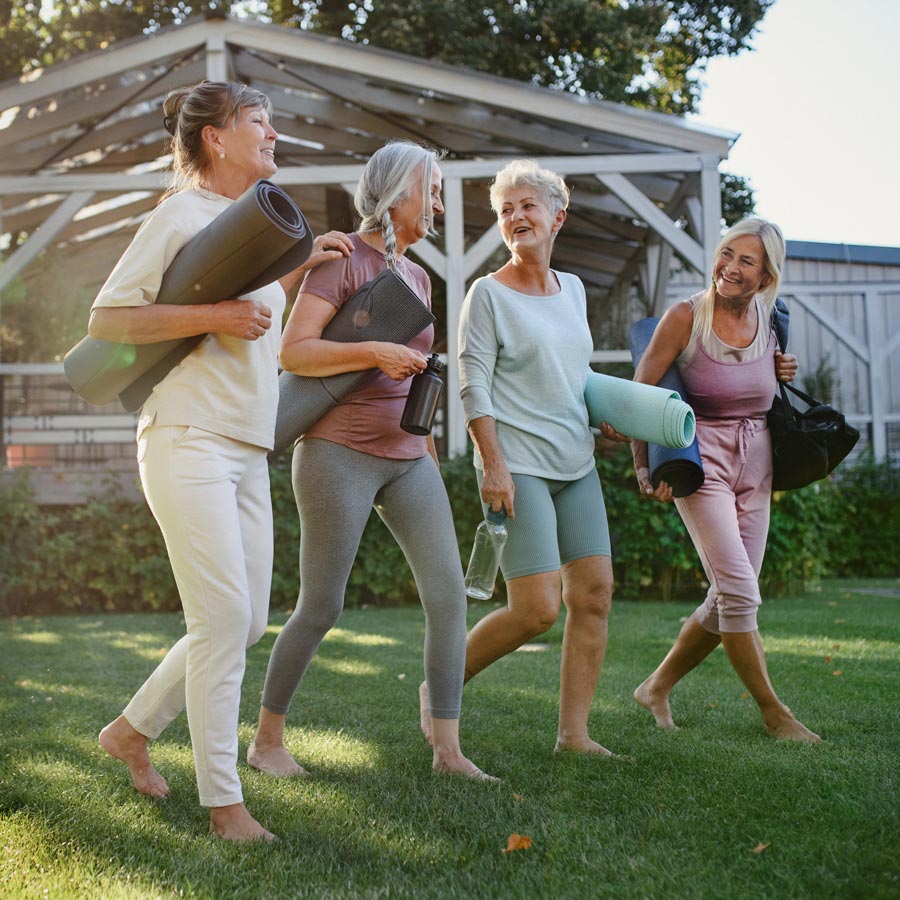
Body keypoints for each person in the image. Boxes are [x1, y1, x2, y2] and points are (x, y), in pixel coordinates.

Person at [94, 80, 353, 841]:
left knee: (241, 624)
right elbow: (108, 318)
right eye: (259, 123)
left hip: (244, 445)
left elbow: (254, 327)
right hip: (186, 439)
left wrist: (304, 269)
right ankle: (224, 803)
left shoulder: (249, 232)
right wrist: (217, 315)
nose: (273, 135)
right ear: (216, 138)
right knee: (221, 620)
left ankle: (130, 733)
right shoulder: (178, 213)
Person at [247, 140, 494, 782]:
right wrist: (374, 351)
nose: (438, 200)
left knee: (448, 597)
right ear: (396, 194)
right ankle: (266, 740)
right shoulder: (342, 261)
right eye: (431, 187)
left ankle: (447, 750)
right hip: (338, 452)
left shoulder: (418, 277)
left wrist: (430, 446)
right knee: (322, 605)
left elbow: (414, 374)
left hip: (409, 455)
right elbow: (295, 354)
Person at [454, 159, 622, 756]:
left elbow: (575, 372)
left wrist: (609, 411)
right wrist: (492, 464)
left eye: (527, 205)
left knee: (595, 592)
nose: (516, 217)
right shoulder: (487, 295)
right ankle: (440, 688)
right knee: (535, 610)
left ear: (557, 215)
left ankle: (573, 735)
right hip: (516, 462)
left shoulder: (572, 289)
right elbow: (472, 386)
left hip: (576, 461)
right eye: (506, 211)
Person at [631, 216, 821, 742]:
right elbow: (639, 395)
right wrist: (646, 468)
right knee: (739, 592)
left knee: (730, 596)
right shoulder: (685, 317)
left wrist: (783, 370)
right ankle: (773, 713)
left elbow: (766, 387)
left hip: (757, 464)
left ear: (765, 277)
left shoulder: (771, 318)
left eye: (746, 262)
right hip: (703, 465)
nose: (730, 268)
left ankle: (656, 687)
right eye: (726, 254)